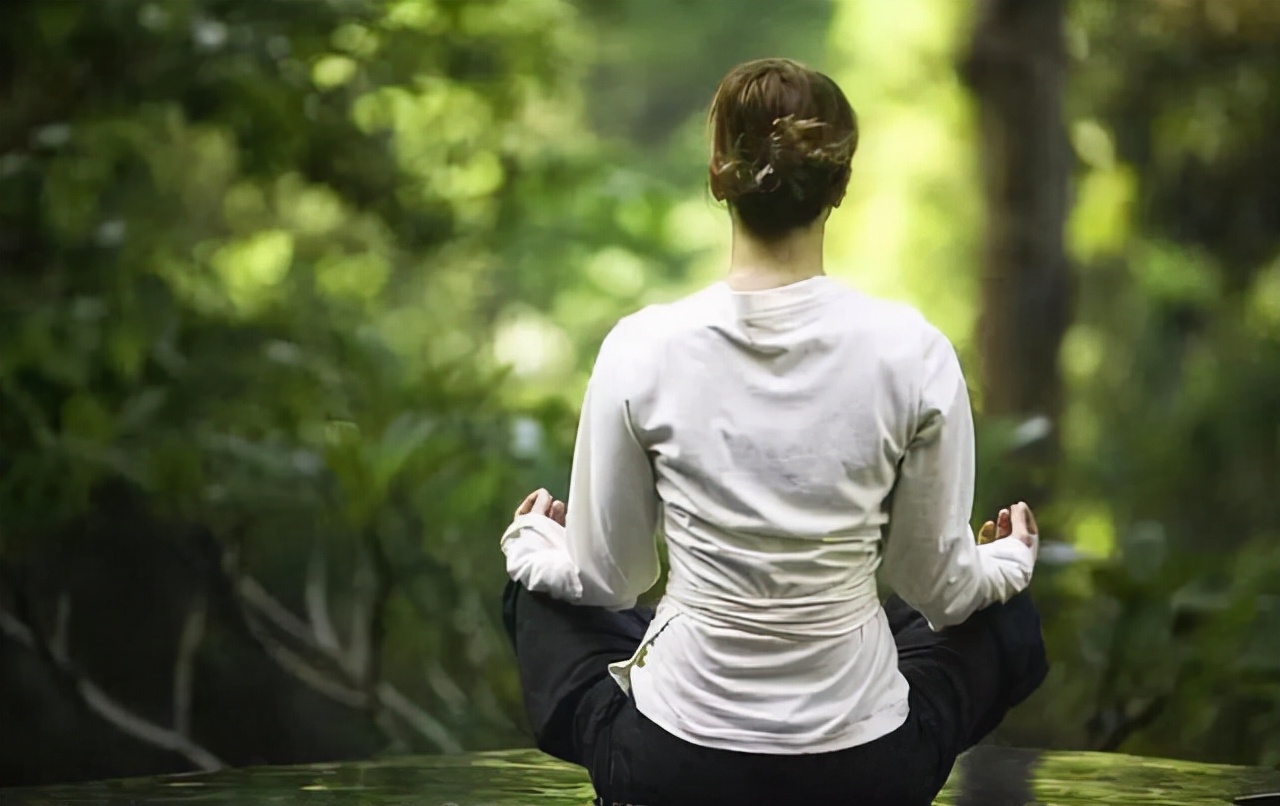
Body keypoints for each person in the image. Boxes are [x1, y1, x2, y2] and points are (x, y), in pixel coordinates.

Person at [499, 57, 1048, 806]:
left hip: (675, 768)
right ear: (839, 181)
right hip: (864, 772)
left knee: (545, 598)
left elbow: (611, 578)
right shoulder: (910, 350)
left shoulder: (643, 346)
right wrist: (1009, 563)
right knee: (994, 615)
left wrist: (534, 550)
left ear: (718, 171)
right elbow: (941, 591)